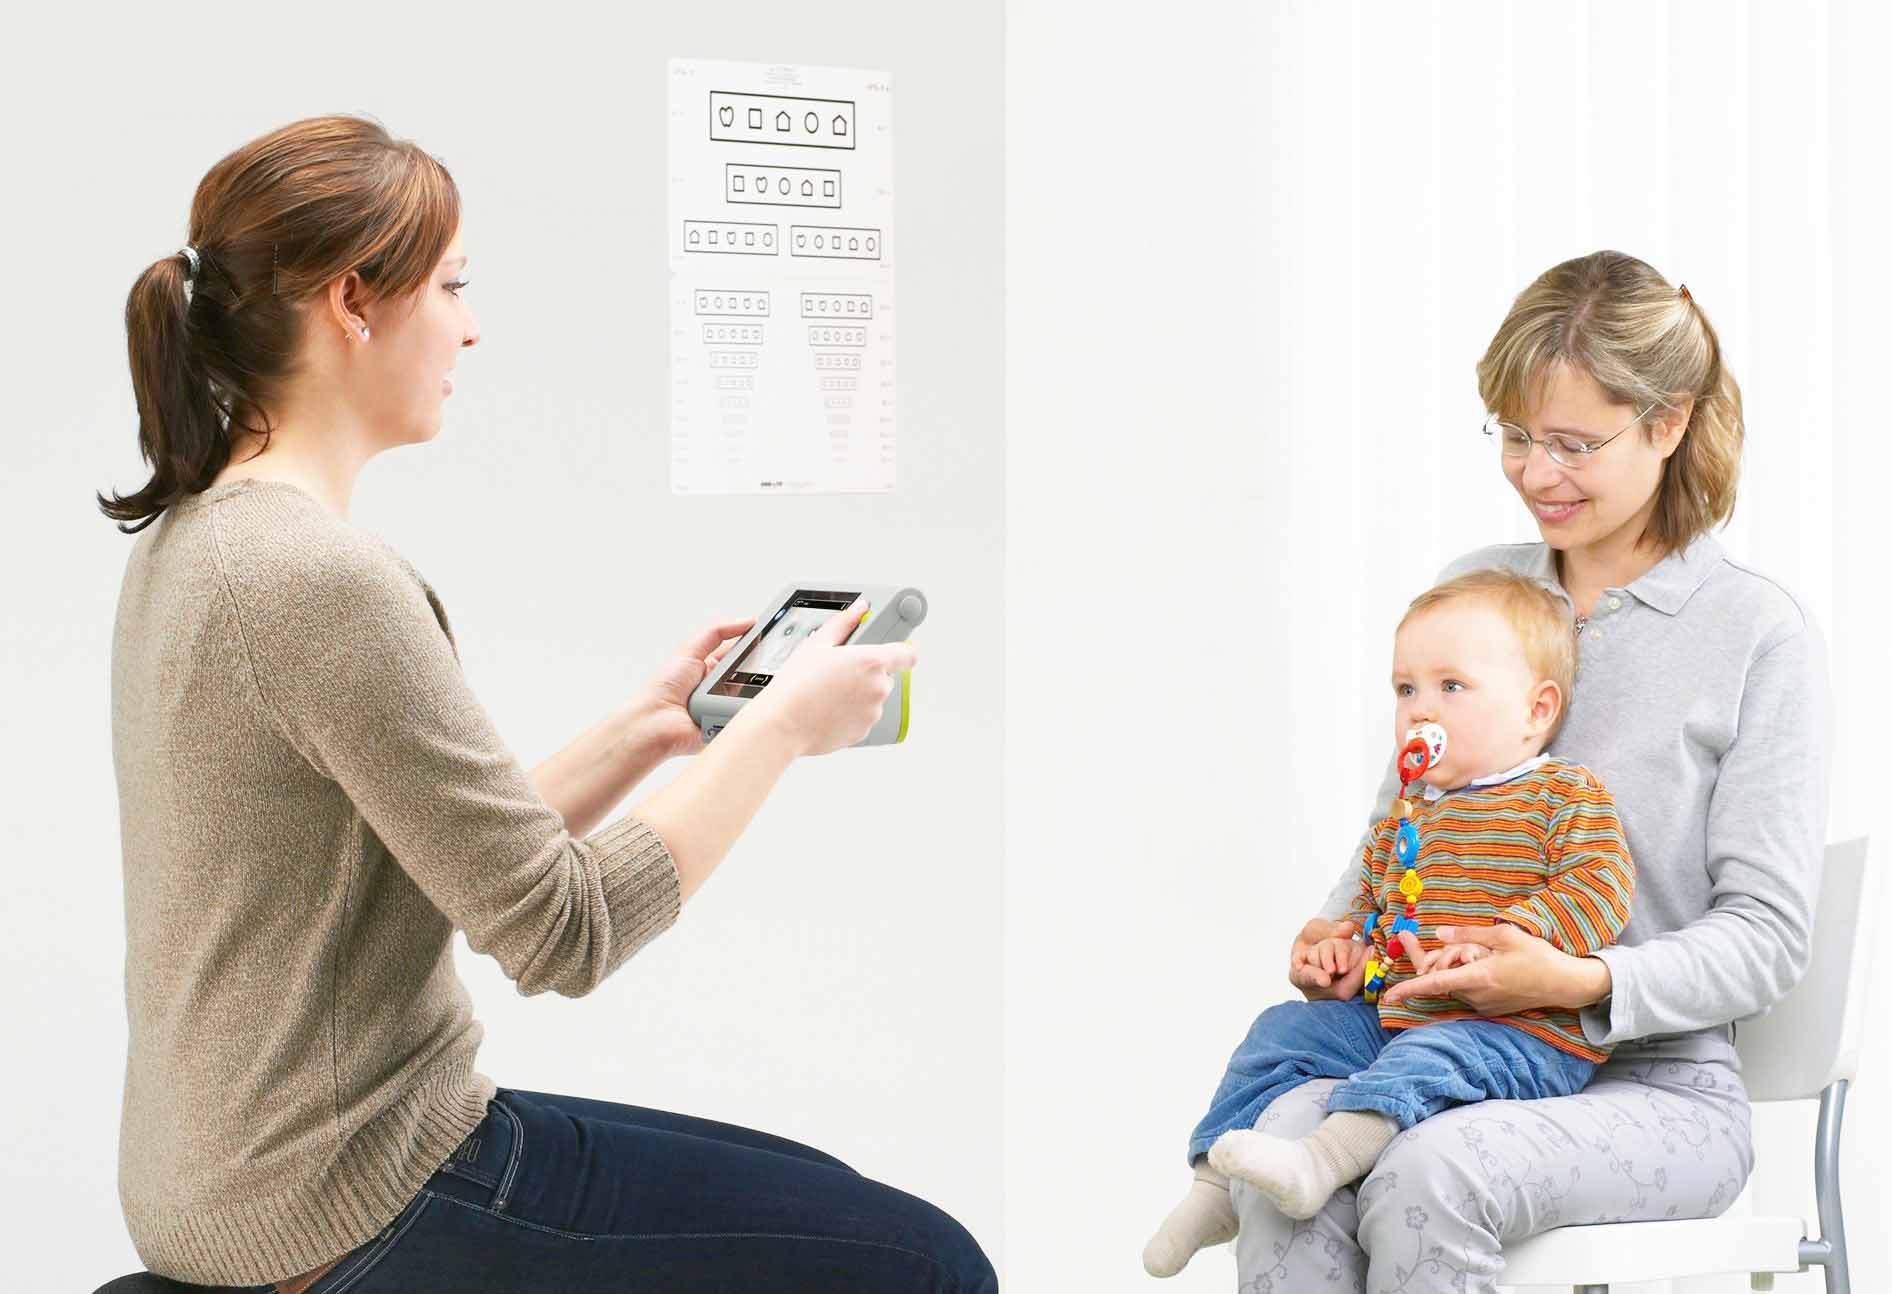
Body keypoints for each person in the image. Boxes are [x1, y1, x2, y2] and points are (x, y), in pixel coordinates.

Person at [102, 114, 994, 1294]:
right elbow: (562, 933)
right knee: (925, 1263)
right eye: (453, 284)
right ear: (353, 302)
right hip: (347, 1189)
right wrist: (778, 729)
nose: (471, 324)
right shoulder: (321, 578)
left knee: (839, 1196)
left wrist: (657, 725)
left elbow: (448, 863)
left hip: (230, 1176)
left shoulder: (194, 543)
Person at [1224, 250, 1830, 1294]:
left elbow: (1767, 938)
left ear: (1668, 423)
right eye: (1513, 437)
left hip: (1655, 1086)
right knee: (1285, 1134)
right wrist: (1341, 937)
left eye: (1571, 443)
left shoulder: (1751, 634)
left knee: (1427, 1168)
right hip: (1434, 1044)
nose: (1535, 472)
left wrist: (1580, 982)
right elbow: (1403, 823)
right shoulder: (1479, 594)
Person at [1142, 572, 1634, 1276]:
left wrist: (1508, 936)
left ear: (1536, 709)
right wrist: (1347, 955)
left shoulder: (1564, 795)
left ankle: (1323, 1160)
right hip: (1401, 1014)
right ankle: (1215, 1186)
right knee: (1283, 1029)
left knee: (1428, 1060)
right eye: (1406, 690)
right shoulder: (1410, 816)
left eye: (1451, 688)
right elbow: (1379, 916)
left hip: (1521, 1032)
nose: (1419, 711)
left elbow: (1600, 888)